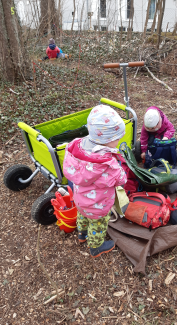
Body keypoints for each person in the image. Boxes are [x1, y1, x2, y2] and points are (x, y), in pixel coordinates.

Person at [63, 105, 127, 258]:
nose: (119, 141)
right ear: (106, 140)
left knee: (83, 215)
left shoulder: (75, 148)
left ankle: (82, 234)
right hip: (99, 204)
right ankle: (96, 247)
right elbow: (121, 179)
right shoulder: (107, 164)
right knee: (97, 225)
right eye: (117, 138)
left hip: (80, 200)